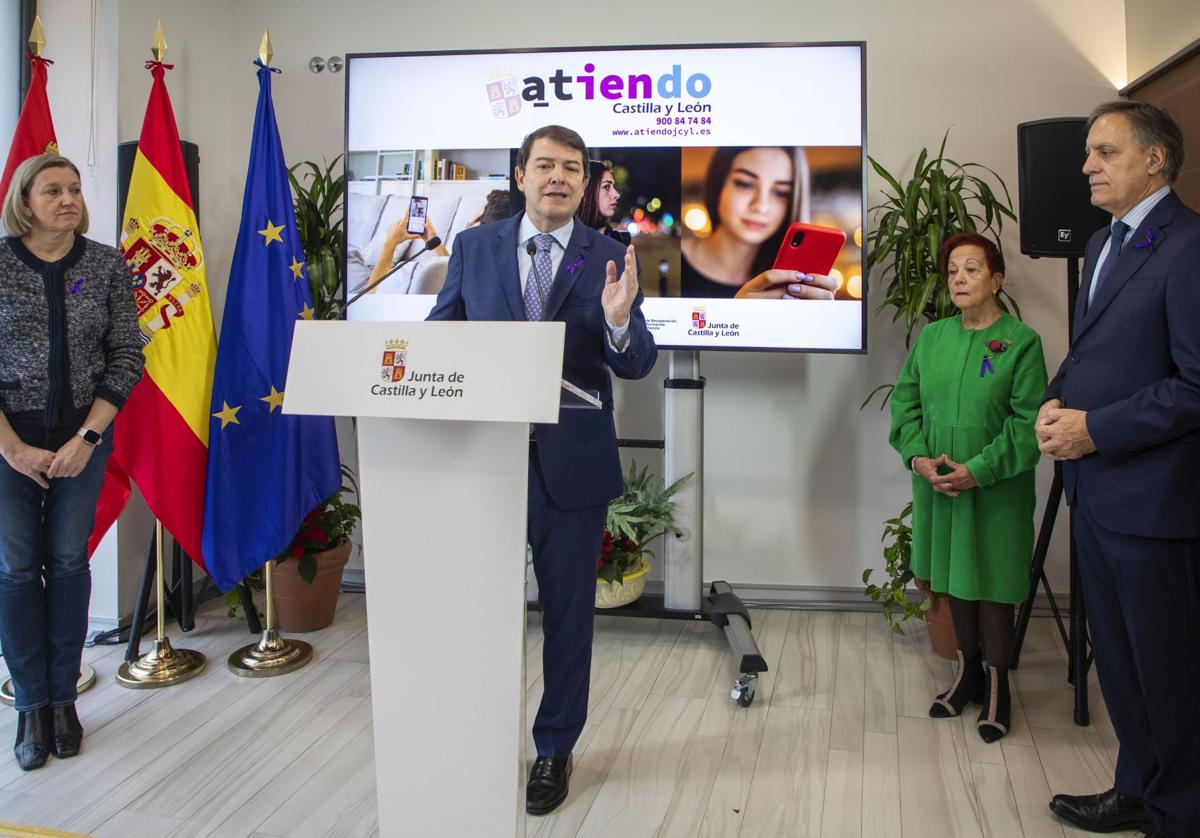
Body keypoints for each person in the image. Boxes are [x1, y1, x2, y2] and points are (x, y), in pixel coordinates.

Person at [428, 124, 656, 816]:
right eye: (545, 165)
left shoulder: (610, 256)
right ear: (521, 175)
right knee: (479, 613)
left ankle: (554, 749)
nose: (558, 177)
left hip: (571, 470)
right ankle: (473, 737)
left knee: (566, 619)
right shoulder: (473, 246)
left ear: (585, 185)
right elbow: (443, 335)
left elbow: (636, 360)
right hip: (486, 462)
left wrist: (619, 322)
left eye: (572, 169)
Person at [1039, 101, 1200, 838]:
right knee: (1125, 672)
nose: (1086, 167)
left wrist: (1094, 429)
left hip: (1155, 502)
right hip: (1095, 493)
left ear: (1155, 159)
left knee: (1169, 674)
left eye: (1104, 152)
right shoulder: (1105, 241)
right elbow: (1094, 354)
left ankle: (1180, 814)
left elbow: (1195, 385)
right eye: (1087, 153)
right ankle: (1137, 788)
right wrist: (1055, 403)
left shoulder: (1190, 245)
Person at [0, 154, 144, 770]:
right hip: (9, 442)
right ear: (24, 201)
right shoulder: (1, 265)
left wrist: (86, 439)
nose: (68, 199)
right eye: (53, 190)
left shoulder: (107, 264)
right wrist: (13, 447)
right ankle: (30, 705)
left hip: (82, 439)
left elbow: (127, 357)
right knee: (13, 567)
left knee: (64, 561)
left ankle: (64, 699)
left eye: (76, 190)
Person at [889, 232, 1046, 743]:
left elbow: (1028, 424)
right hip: (939, 485)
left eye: (972, 269)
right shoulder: (934, 338)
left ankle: (998, 687)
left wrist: (978, 469)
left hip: (995, 488)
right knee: (954, 580)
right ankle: (968, 674)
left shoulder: (1022, 343)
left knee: (994, 584)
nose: (959, 278)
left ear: (996, 279)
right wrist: (918, 457)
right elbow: (904, 403)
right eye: (953, 270)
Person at [680, 146, 838, 300]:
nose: (761, 207)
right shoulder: (668, 261)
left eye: (781, 192)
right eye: (745, 184)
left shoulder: (788, 285)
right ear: (719, 185)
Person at [577, 159, 630, 244]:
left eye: (613, 187)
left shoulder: (619, 241)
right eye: (606, 187)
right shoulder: (563, 240)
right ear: (585, 191)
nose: (616, 194)